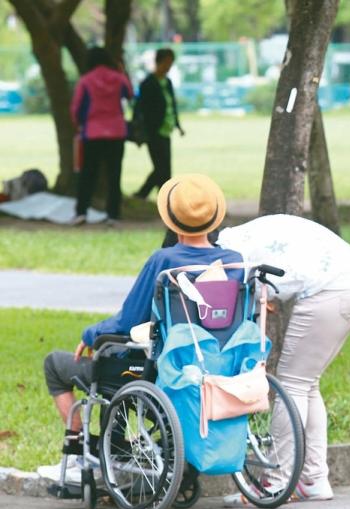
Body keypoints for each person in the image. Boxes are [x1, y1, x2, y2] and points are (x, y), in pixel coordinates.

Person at [38, 174, 243, 483]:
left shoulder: (165, 260)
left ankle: (80, 454)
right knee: (121, 365)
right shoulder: (234, 262)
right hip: (219, 365)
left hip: (165, 368)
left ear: (172, 221)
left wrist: (90, 334)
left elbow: (126, 322)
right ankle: (116, 448)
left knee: (60, 363)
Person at [217, 214, 350, 505]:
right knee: (307, 383)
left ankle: (276, 483)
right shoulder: (240, 237)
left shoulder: (231, 258)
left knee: (293, 385)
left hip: (331, 291)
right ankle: (313, 479)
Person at [70, 47, 133, 226]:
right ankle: (113, 214)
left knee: (88, 174)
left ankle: (81, 212)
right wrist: (122, 71)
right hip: (116, 132)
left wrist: (79, 125)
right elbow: (130, 94)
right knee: (115, 174)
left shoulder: (85, 81)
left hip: (92, 133)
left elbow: (75, 109)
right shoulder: (118, 78)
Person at [134, 48, 184, 200]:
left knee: (164, 168)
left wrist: (178, 125)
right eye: (166, 63)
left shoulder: (167, 82)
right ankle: (159, 197)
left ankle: (151, 195)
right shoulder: (148, 83)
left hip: (166, 130)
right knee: (161, 168)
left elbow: (171, 105)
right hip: (153, 131)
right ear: (159, 62)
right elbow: (141, 108)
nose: (168, 66)